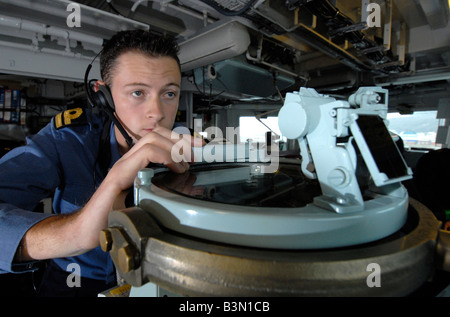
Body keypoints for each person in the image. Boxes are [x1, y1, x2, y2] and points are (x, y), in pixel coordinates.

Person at [0, 29, 200, 296]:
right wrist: (76, 233)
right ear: (102, 95)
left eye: (169, 94)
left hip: (157, 280)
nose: (158, 114)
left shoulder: (188, 148)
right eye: (138, 93)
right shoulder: (69, 139)